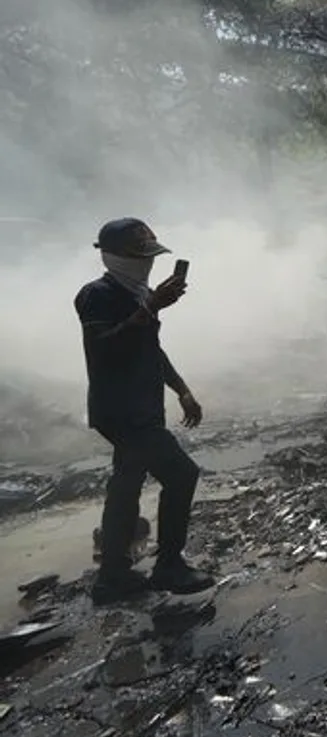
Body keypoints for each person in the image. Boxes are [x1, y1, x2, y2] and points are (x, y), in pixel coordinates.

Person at [75, 217, 215, 605]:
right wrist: (149, 307)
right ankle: (169, 565)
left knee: (126, 484)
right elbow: (105, 350)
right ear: (114, 256)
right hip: (122, 412)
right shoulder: (96, 295)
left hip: (140, 406)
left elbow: (150, 348)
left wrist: (182, 389)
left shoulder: (138, 292)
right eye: (141, 256)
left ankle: (113, 576)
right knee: (182, 474)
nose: (148, 263)